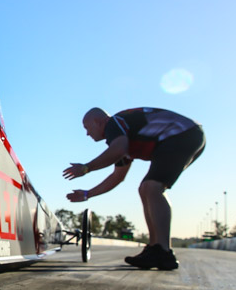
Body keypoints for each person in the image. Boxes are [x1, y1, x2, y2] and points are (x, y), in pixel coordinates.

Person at [63, 107, 205, 271]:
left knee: (152, 187)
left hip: (182, 134)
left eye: (87, 128)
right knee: (146, 189)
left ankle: (163, 251)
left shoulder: (114, 124)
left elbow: (118, 149)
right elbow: (118, 176)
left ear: (98, 122)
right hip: (186, 134)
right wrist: (87, 194)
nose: (87, 134)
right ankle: (155, 248)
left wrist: (86, 168)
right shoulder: (123, 137)